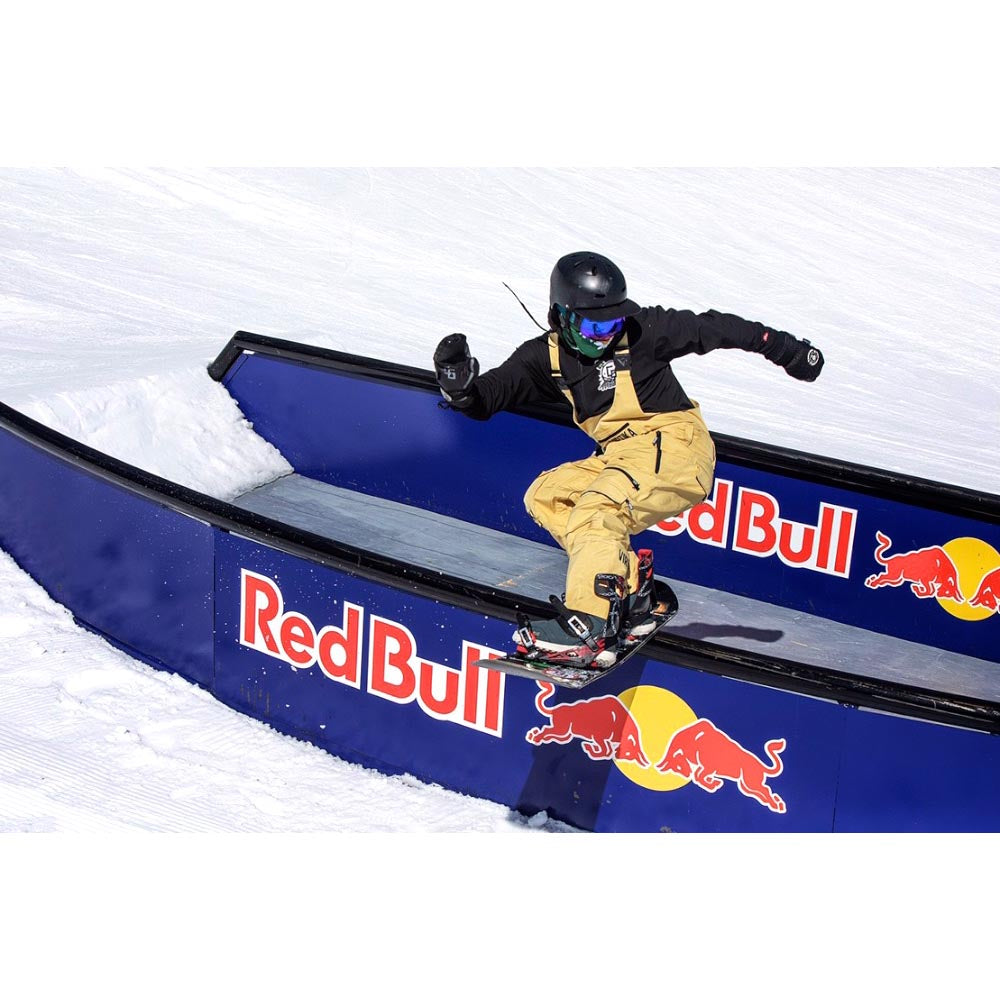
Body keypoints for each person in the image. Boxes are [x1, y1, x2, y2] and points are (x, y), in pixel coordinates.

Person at [433, 250, 824, 668]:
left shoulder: (644, 331)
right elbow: (490, 396)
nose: (605, 335)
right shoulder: (544, 358)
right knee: (547, 495)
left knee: (598, 509)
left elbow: (716, 327)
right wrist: (461, 390)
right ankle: (631, 593)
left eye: (612, 323)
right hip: (622, 455)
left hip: (675, 445)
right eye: (594, 326)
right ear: (562, 316)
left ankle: (591, 620)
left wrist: (786, 349)